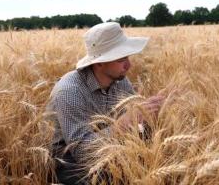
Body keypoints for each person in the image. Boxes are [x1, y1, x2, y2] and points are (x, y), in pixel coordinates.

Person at [46, 22, 165, 185]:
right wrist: (123, 124)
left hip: (109, 145)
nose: (129, 65)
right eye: (121, 59)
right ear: (99, 62)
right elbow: (81, 151)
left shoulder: (120, 80)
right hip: (69, 158)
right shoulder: (69, 91)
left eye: (127, 57)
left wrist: (150, 112)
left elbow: (133, 116)